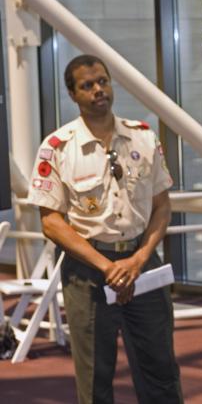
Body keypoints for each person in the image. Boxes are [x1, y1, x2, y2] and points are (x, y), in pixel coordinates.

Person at [27, 55, 182, 404]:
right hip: (89, 273)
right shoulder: (57, 148)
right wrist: (108, 267)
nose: (98, 90)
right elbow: (51, 222)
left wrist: (138, 259)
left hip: (143, 265)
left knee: (161, 368)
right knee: (96, 376)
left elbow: (162, 206)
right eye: (87, 85)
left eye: (103, 81)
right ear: (72, 94)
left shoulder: (143, 137)